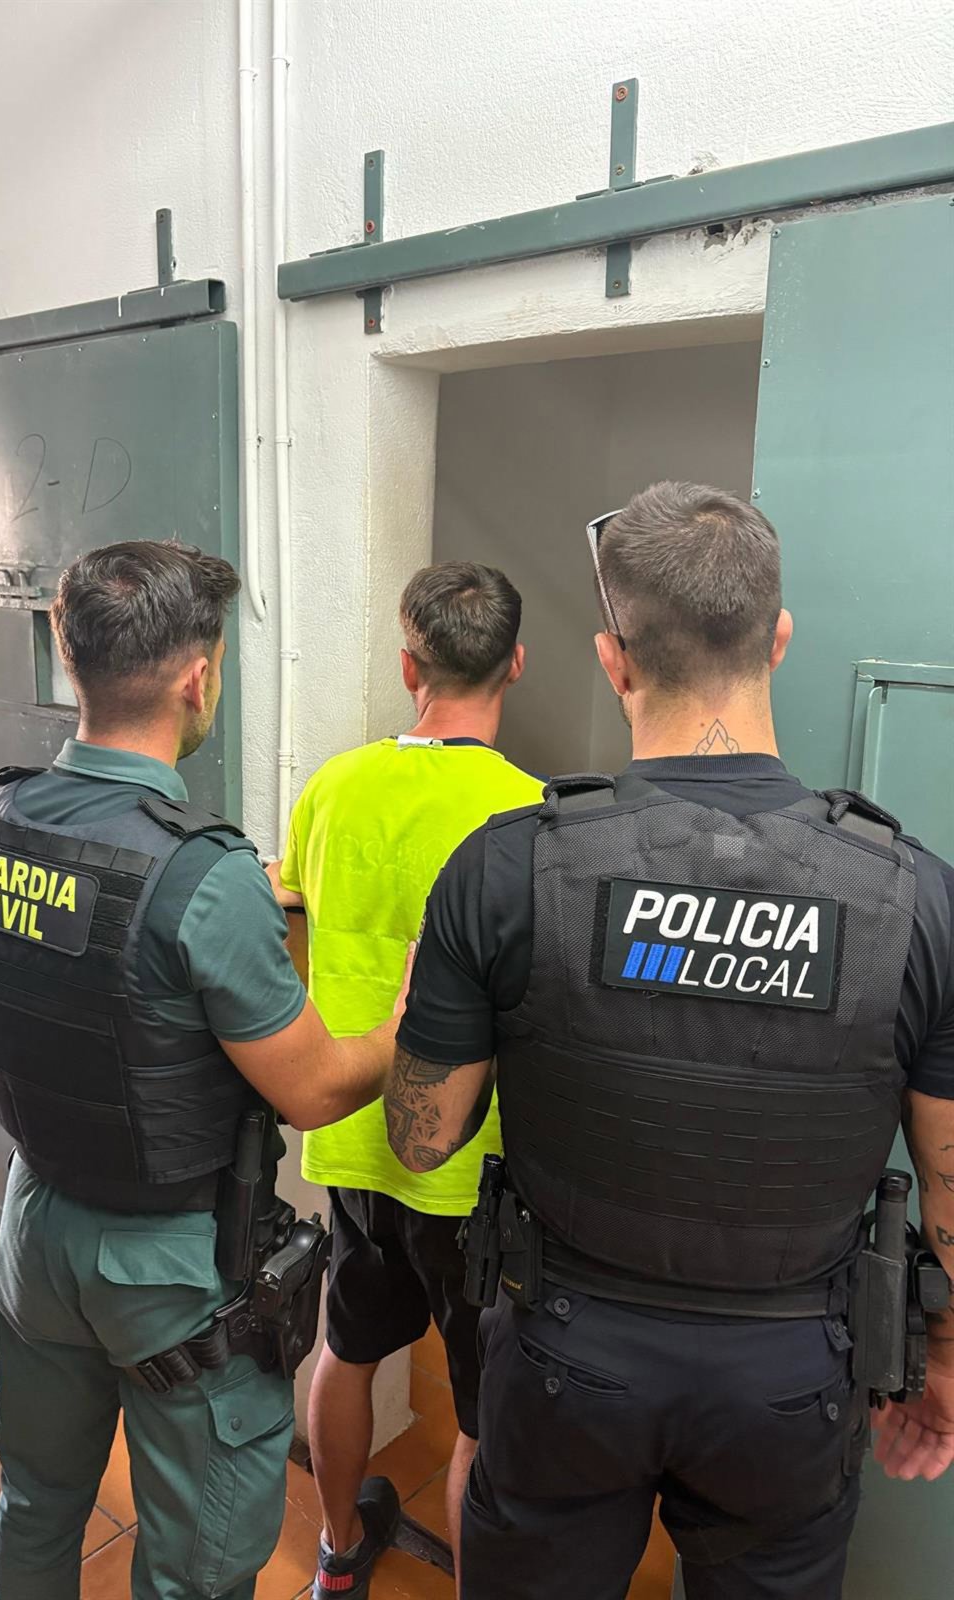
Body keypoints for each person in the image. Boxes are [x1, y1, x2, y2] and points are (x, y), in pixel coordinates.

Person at [384, 482, 954, 1600]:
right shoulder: (918, 899)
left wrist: (419, 1022)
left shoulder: (505, 867)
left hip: (563, 1360)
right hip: (791, 1381)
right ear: (777, 639)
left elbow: (421, 1142)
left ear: (612, 659)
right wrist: (942, 1357)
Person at [0, 541, 409, 1600]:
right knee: (194, 1569)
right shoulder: (204, 874)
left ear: (69, 657)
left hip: (35, 1225)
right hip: (168, 1264)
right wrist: (405, 1023)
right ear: (199, 678)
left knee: (36, 1502)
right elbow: (316, 1088)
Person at [269, 562, 543, 1600]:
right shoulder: (532, 816)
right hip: (472, 1164)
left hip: (350, 1138)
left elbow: (291, 947)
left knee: (346, 1349)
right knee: (479, 1411)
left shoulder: (331, 788)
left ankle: (337, 1554)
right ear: (515, 664)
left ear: (408, 665)